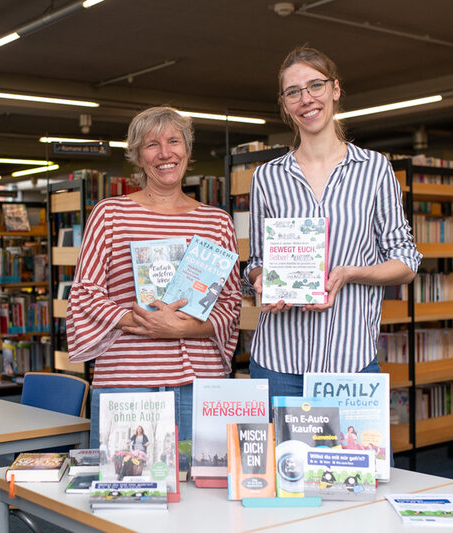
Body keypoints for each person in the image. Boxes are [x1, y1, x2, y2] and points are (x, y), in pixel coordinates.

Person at [245, 45, 421, 398]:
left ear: (335, 89)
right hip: (277, 361)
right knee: (281, 456)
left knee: (352, 453)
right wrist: (262, 279)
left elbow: (407, 262)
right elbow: (257, 261)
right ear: (284, 104)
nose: (306, 99)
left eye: (315, 86)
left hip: (348, 360)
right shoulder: (266, 177)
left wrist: (350, 273)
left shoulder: (375, 170)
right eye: (293, 92)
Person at [66, 106, 242, 448]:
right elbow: (86, 293)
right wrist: (142, 321)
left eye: (174, 141)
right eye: (152, 144)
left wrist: (185, 328)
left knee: (202, 484)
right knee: (129, 485)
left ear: (187, 151)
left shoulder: (216, 222)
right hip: (127, 378)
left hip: (199, 380)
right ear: (137, 155)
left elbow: (232, 304)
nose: (165, 153)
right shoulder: (111, 214)